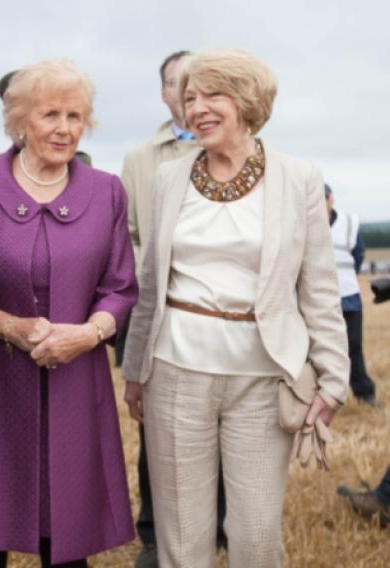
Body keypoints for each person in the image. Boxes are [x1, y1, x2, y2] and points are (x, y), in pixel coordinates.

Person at [122, 49, 349, 567]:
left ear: (247, 101)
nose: (196, 108)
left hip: (263, 379)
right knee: (181, 538)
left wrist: (334, 377)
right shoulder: (168, 178)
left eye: (211, 95)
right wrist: (135, 369)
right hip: (175, 373)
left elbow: (318, 286)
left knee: (256, 535)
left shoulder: (298, 178)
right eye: (190, 98)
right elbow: (152, 283)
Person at [0, 59, 138, 566]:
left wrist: (88, 334)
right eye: (50, 114)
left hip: (77, 379)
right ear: (19, 121)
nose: (64, 129)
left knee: (68, 533)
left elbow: (120, 287)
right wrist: (12, 328)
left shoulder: (106, 190)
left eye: (75, 117)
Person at [119, 50, 227, 568]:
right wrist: (157, 278)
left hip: (225, 320)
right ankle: (156, 535)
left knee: (229, 426)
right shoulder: (142, 160)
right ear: (165, 94)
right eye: (179, 85)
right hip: (160, 312)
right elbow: (131, 234)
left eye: (205, 85)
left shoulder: (253, 153)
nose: (191, 95)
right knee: (159, 433)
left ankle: (221, 529)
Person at [325, 184, 377, 406]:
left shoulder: (349, 223)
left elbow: (359, 254)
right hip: (318, 300)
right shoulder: (304, 222)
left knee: (353, 344)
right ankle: (322, 395)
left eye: (323, 198)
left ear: (331, 199)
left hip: (349, 296)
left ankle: (364, 392)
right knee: (318, 348)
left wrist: (347, 278)